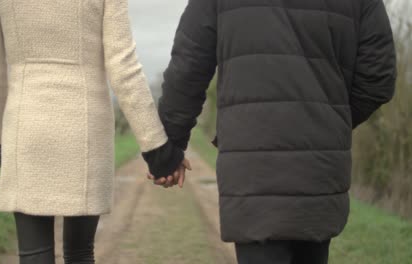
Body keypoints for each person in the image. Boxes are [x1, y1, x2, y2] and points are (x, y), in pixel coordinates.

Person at [154, 0, 397, 263]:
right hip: (317, 171)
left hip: (252, 173)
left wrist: (167, 152)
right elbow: (378, 79)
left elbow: (188, 68)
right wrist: (327, 123)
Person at [0, 0, 186, 263]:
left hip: (25, 129)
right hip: (85, 132)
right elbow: (123, 65)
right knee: (80, 253)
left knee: (33, 254)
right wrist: (157, 147)